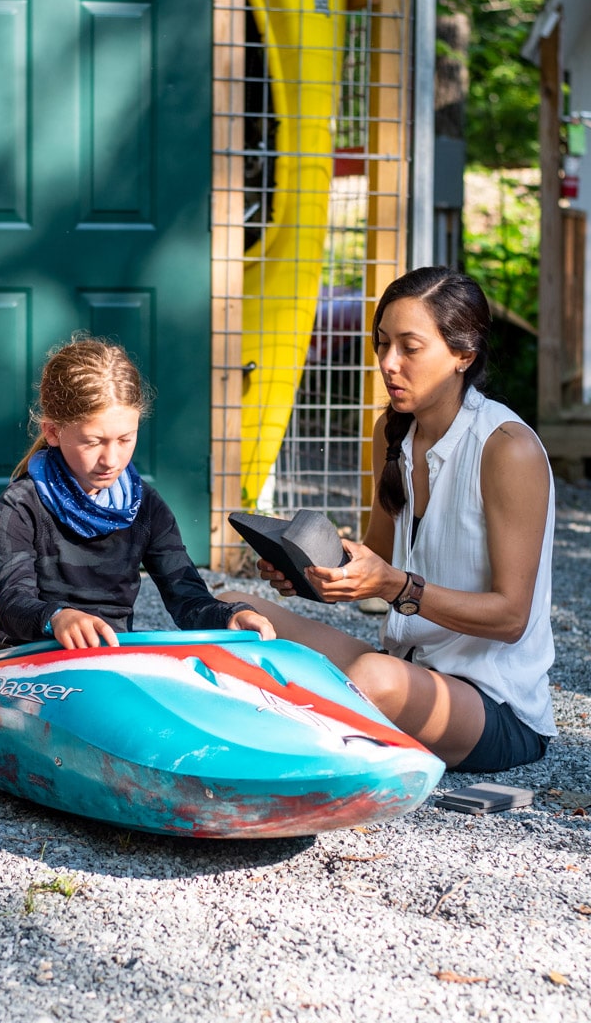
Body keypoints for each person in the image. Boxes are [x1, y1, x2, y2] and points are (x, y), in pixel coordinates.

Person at [220, 266, 556, 771]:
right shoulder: (391, 433)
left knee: (374, 677)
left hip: (494, 710)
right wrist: (309, 576)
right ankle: (282, 724)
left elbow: (511, 618)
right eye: (382, 344)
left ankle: (255, 747)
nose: (388, 363)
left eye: (409, 347)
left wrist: (398, 587)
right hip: (404, 669)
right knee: (231, 606)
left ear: (464, 355)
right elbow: (374, 565)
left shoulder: (509, 449)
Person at [0, 336, 274, 649]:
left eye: (125, 440)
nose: (111, 460)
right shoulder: (21, 505)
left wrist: (229, 616)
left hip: (110, 659)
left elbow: (189, 599)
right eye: (93, 442)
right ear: (53, 432)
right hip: (26, 659)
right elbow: (12, 601)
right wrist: (57, 616)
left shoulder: (145, 506)